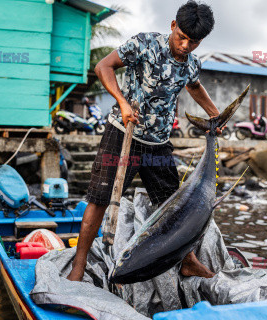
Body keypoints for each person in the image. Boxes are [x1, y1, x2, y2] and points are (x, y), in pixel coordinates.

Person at [67, 1, 218, 282]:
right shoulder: (144, 44)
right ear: (173, 26)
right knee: (99, 199)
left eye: (193, 41)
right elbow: (104, 66)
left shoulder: (191, 64)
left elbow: (194, 85)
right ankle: (79, 263)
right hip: (123, 135)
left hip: (158, 144)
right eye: (181, 37)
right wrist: (122, 103)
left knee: (173, 206)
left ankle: (188, 261)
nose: (185, 45)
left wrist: (214, 114)